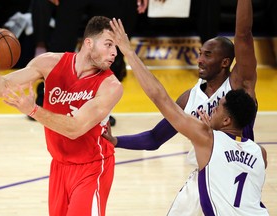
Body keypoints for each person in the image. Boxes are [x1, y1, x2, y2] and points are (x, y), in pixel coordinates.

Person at [103, 0, 258, 215]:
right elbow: (155, 138)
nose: (200, 59)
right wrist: (117, 141)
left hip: (238, 170)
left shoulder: (239, 84)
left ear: (225, 62)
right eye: (200, 53)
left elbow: (243, 34)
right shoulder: (189, 99)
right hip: (202, 177)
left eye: (208, 55)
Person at [0, 16, 123, 216]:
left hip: (92, 168)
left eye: (116, 47)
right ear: (88, 43)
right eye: (109, 44)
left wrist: (33, 110)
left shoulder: (111, 86)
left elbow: (75, 129)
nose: (114, 52)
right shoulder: (49, 63)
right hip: (59, 166)